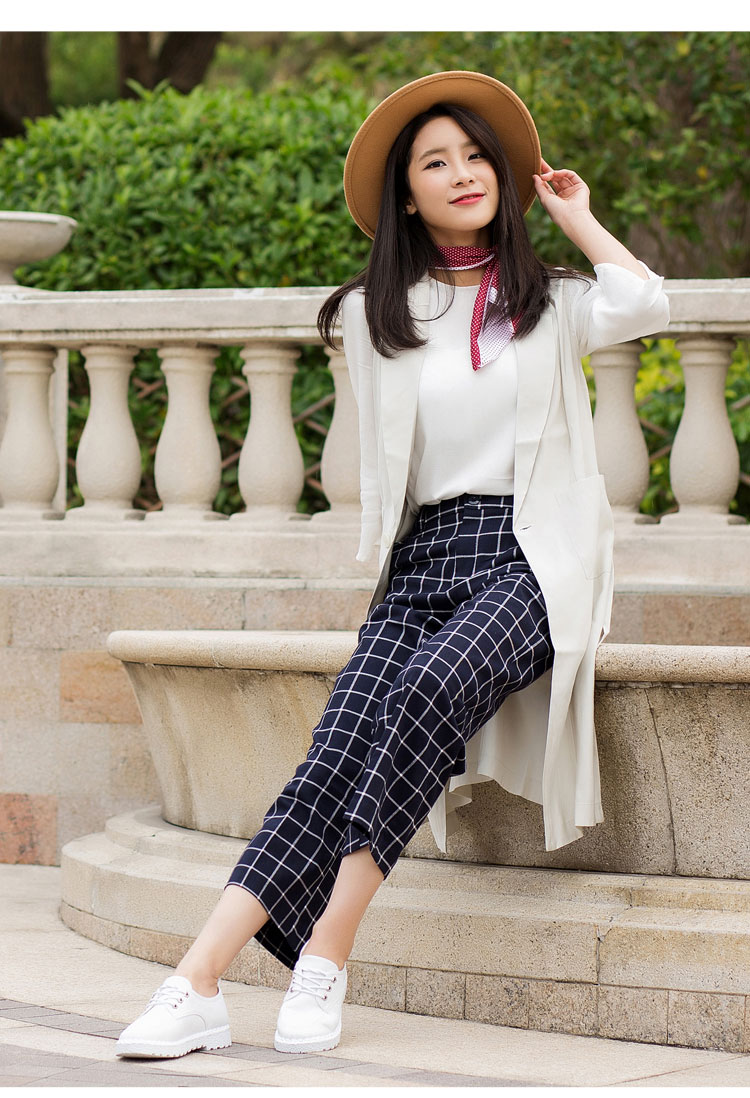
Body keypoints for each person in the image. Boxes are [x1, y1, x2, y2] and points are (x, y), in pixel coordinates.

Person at [115, 70, 670, 1060]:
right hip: (424, 558)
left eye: (475, 156)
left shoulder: (553, 304)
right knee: (335, 746)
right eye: (435, 163)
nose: (462, 173)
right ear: (406, 197)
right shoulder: (383, 317)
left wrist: (574, 215)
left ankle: (324, 955)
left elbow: (647, 302)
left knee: (425, 690)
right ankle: (195, 982)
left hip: (530, 559)